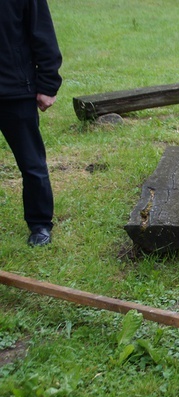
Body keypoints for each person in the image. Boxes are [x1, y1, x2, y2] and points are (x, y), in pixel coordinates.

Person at [0, 0, 62, 247]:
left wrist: (48, 84)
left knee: (32, 164)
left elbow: (43, 34)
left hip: (15, 91)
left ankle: (39, 225)